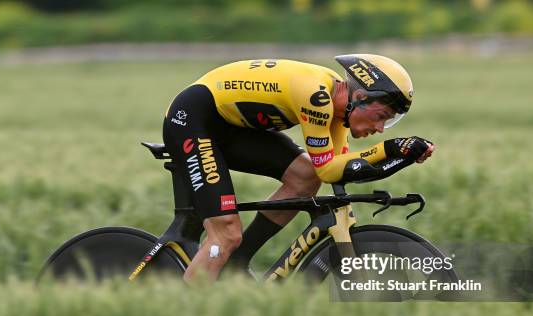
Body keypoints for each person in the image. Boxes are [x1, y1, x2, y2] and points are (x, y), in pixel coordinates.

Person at [162, 54, 434, 284]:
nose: (379, 128)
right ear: (360, 96)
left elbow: (341, 169)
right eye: (380, 117)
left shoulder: (340, 111)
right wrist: (390, 149)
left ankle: (237, 261)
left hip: (230, 126)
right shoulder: (316, 96)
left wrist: (403, 156)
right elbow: (329, 170)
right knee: (226, 233)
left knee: (304, 176)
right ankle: (183, 315)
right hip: (194, 120)